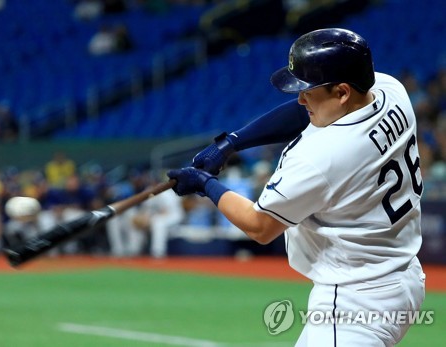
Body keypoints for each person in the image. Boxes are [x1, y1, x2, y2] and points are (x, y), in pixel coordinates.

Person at [167, 28, 425, 346]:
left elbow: (259, 226)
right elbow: (303, 113)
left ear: (343, 92)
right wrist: (233, 142)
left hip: (354, 299)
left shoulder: (323, 156)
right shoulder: (390, 91)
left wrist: (206, 185)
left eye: (308, 90)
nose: (301, 98)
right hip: (403, 276)